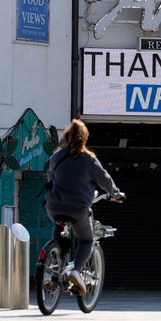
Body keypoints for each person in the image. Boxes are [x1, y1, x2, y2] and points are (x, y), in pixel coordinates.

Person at [45, 119, 123, 296]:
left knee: (59, 224)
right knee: (87, 241)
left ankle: (56, 260)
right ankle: (76, 271)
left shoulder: (56, 157)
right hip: (78, 208)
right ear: (84, 138)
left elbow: (50, 178)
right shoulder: (89, 160)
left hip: (54, 205)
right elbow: (105, 180)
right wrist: (116, 193)